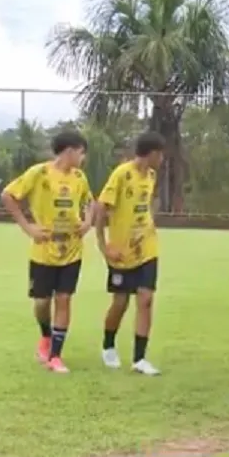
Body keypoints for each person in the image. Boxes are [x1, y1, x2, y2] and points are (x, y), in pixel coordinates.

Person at [1, 131, 93, 373]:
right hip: (43, 250)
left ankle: (55, 356)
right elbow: (8, 195)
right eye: (81, 153)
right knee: (42, 302)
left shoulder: (79, 177)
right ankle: (45, 335)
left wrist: (87, 222)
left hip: (72, 250)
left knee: (64, 299)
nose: (83, 158)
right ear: (70, 151)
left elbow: (89, 202)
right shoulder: (39, 173)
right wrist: (28, 227)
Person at [96, 131, 165, 376]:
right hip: (122, 252)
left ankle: (139, 358)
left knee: (146, 299)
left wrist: (149, 223)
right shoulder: (122, 174)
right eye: (160, 154)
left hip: (146, 247)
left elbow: (149, 202)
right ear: (152, 154)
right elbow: (101, 209)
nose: (162, 159)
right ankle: (108, 346)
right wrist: (104, 246)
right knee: (121, 302)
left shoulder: (152, 176)